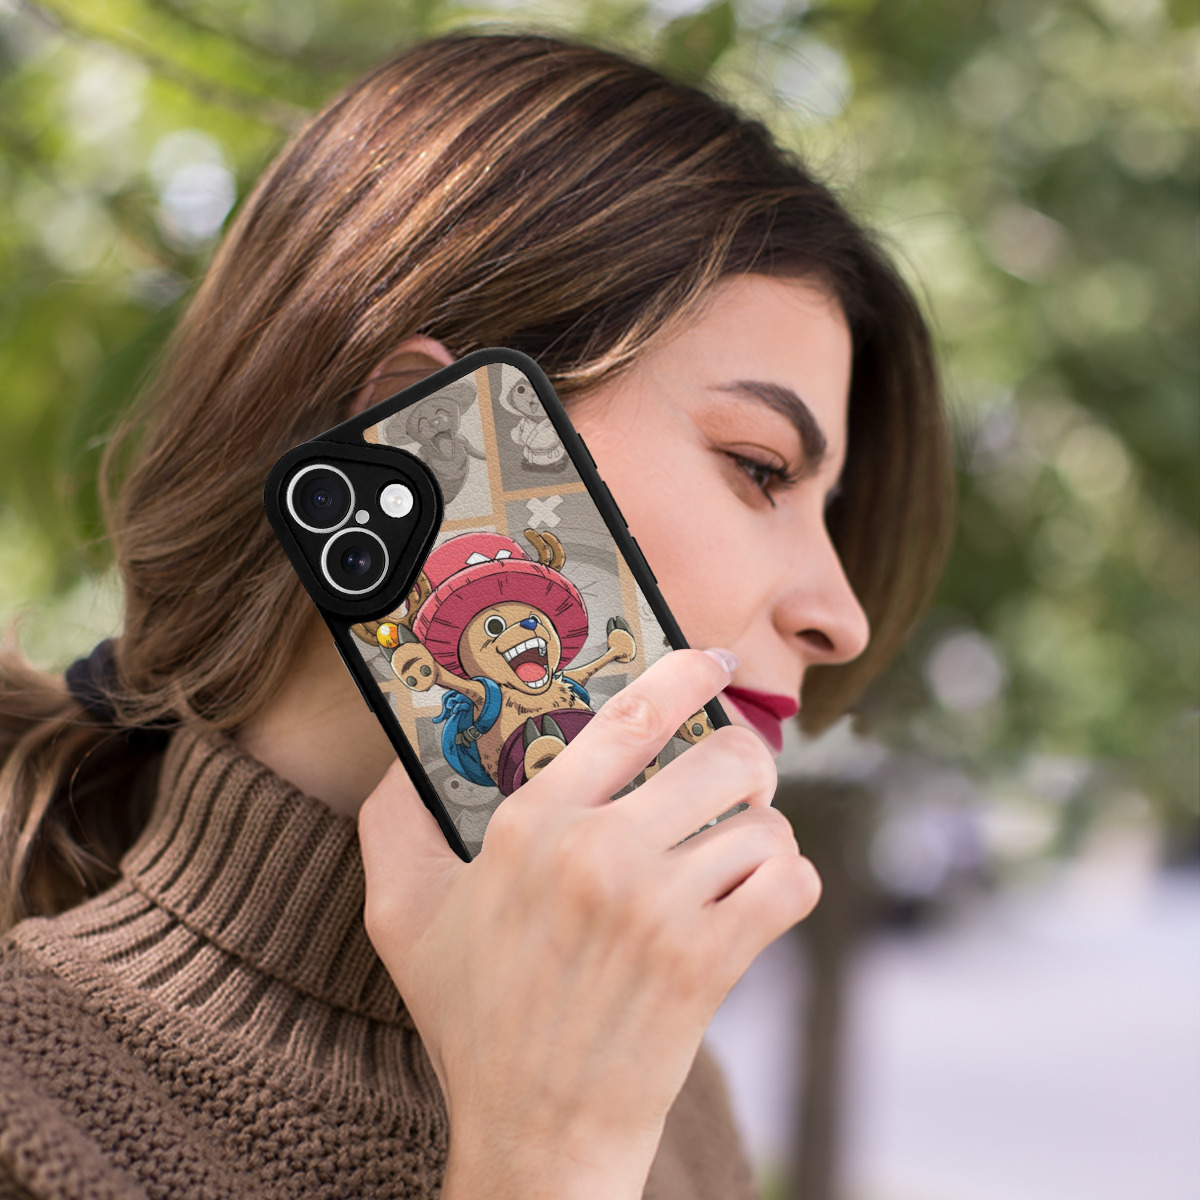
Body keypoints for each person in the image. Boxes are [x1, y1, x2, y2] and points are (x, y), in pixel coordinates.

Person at [0, 32, 952, 1200]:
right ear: (426, 434)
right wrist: (546, 1158)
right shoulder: (31, 1116)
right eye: (760, 468)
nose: (842, 618)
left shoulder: (675, 1099)